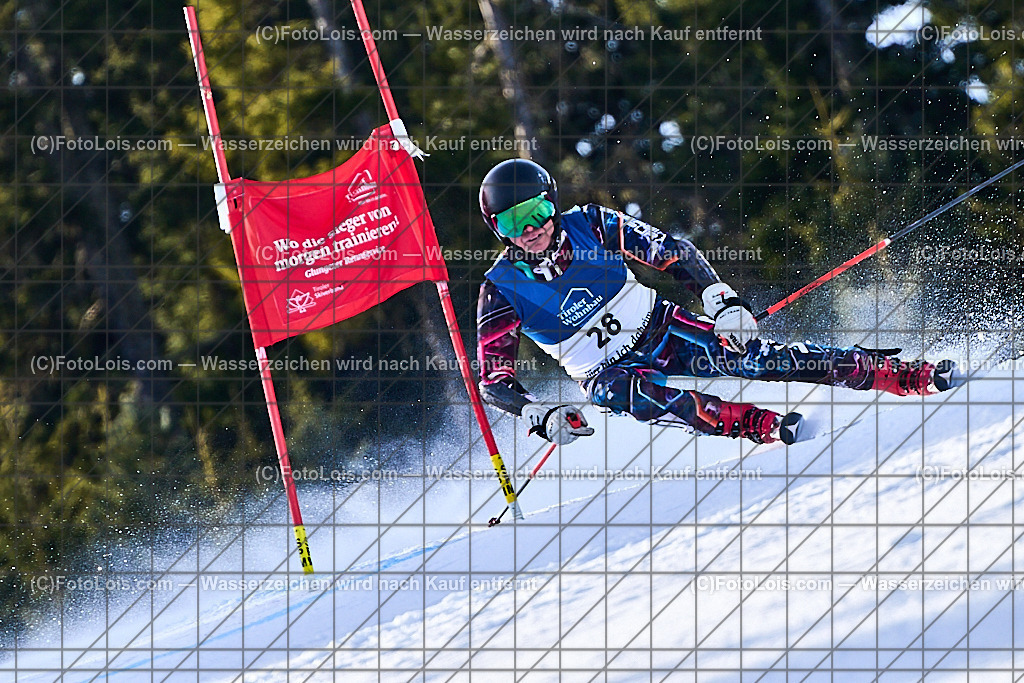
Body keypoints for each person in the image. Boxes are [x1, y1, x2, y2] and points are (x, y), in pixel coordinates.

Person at [474, 159, 961, 446]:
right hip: (605, 373)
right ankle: (755, 425)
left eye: (536, 212)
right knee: (636, 396)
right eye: (513, 224)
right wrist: (538, 414)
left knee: (762, 358)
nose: (532, 229)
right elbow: (493, 380)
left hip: (660, 328)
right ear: (497, 230)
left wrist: (720, 300)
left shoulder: (591, 224)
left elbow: (672, 253)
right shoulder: (500, 288)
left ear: (552, 203)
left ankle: (901, 375)